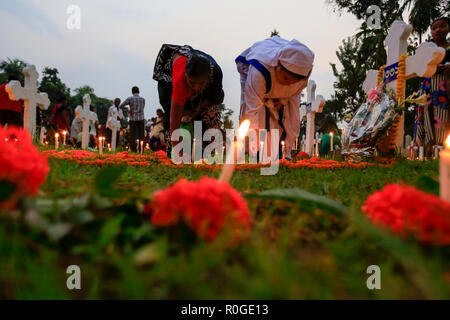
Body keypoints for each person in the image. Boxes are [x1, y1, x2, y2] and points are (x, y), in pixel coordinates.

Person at [236, 35, 315, 160]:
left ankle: (283, 154)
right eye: (285, 78)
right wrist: (252, 140)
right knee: (259, 118)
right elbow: (252, 110)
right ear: (278, 65)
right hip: (254, 79)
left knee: (285, 118)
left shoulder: (302, 76)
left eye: (292, 82)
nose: (288, 84)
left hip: (278, 92)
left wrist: (282, 100)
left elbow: (293, 111)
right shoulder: (259, 71)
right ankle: (256, 154)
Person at [153, 44, 224, 152]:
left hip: (204, 95)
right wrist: (178, 150)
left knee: (210, 118)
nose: (196, 87)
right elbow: (174, 121)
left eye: (201, 83)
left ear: (208, 79)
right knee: (176, 136)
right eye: (192, 82)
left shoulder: (215, 75)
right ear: (186, 75)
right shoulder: (178, 82)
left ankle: (205, 148)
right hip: (170, 77)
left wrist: (194, 114)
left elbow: (213, 99)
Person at [415, 17, 450, 153]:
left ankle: (443, 147)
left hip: (446, 86)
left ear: (448, 29)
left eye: (442, 26)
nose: (437, 30)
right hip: (429, 86)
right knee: (428, 116)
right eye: (434, 28)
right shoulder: (426, 48)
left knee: (443, 115)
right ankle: (428, 149)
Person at [120, 87, 145, 152]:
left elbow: (121, 106)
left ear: (132, 92)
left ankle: (133, 149)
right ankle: (141, 149)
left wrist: (128, 110)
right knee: (141, 134)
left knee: (132, 135)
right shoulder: (142, 99)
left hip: (133, 118)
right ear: (138, 91)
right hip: (141, 118)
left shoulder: (130, 98)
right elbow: (143, 108)